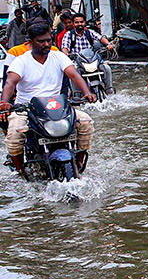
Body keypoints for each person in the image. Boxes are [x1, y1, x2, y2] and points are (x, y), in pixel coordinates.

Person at [1, 17, 95, 174]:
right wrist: (4, 102)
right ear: (31, 41)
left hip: (56, 106)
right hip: (26, 108)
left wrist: (87, 92)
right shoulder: (21, 61)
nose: (46, 45)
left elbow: (74, 75)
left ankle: (78, 163)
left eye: (48, 40)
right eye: (41, 41)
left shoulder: (58, 56)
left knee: (86, 122)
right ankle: (19, 170)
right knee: (14, 135)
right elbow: (10, 82)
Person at [60, 13, 116, 94]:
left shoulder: (89, 32)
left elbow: (100, 38)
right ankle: (77, 93)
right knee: (73, 72)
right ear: (73, 23)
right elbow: (64, 47)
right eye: (77, 22)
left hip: (92, 60)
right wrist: (66, 54)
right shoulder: (69, 35)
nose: (79, 24)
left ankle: (108, 90)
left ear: (84, 22)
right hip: (77, 61)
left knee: (106, 68)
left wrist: (108, 44)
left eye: (81, 22)